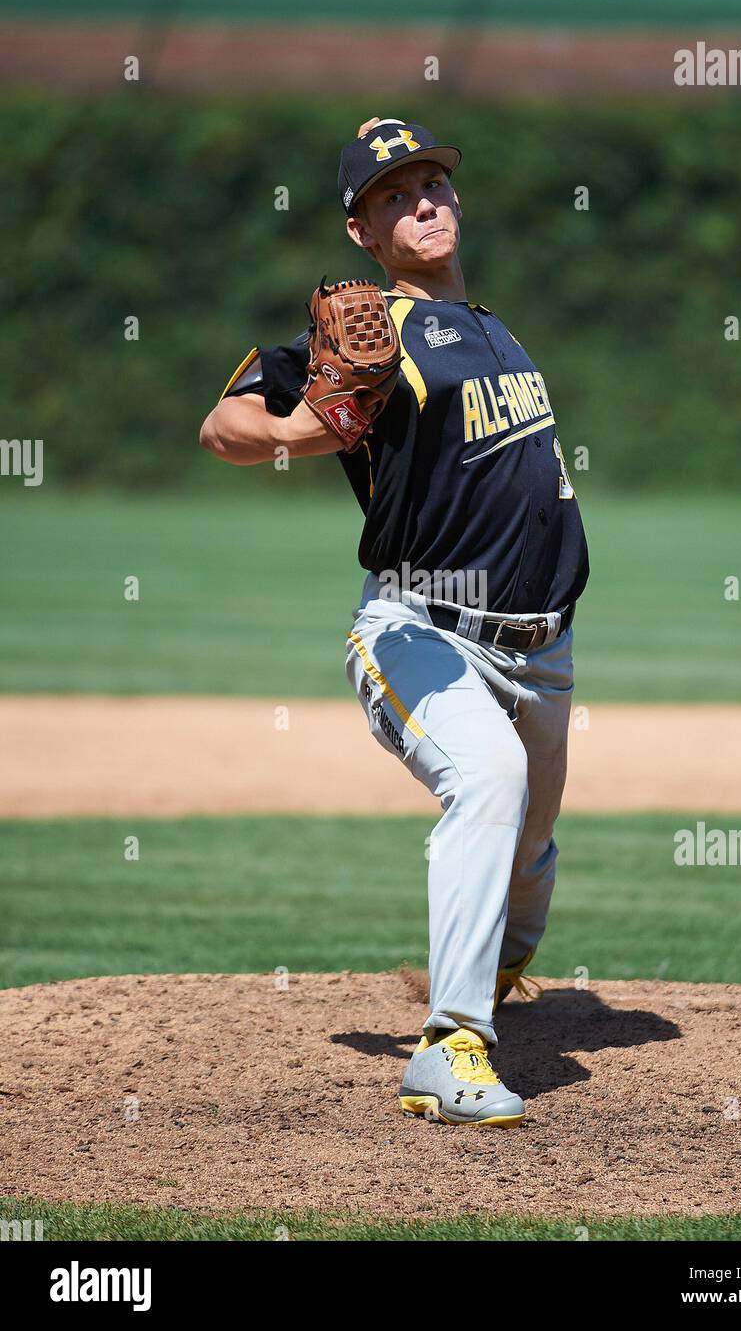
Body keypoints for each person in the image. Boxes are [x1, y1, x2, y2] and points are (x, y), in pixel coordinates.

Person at [200, 116, 590, 1127]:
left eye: (433, 184)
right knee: (488, 780)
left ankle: (496, 964)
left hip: (541, 647)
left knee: (528, 842)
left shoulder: (495, 327)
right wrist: (293, 427)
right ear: (359, 230)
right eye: (393, 194)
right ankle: (447, 1046)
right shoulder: (366, 330)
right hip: (421, 629)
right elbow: (223, 423)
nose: (424, 201)